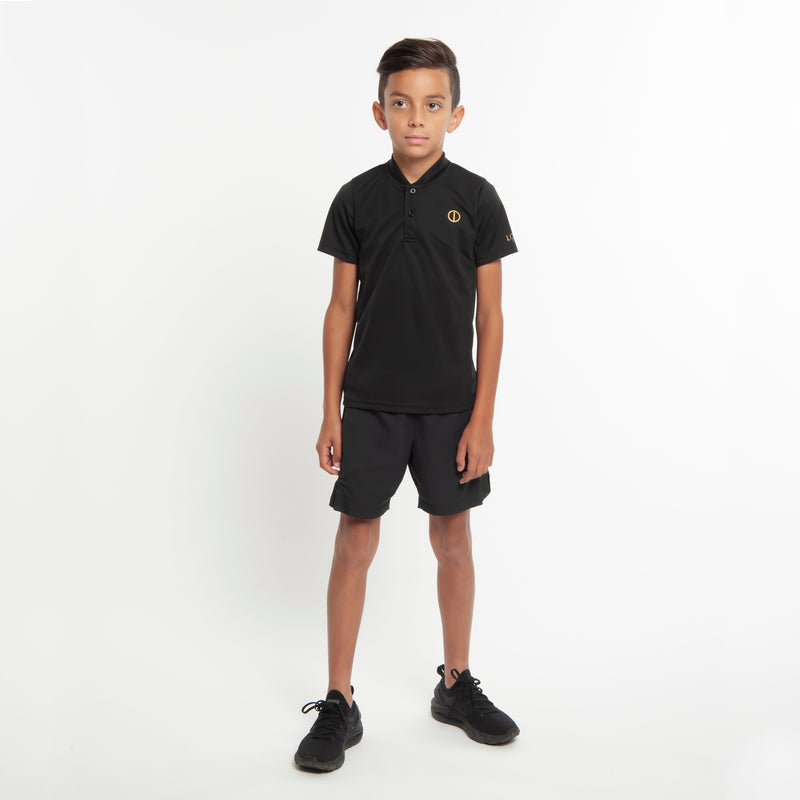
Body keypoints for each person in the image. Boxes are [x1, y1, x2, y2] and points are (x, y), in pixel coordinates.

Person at [294, 37, 520, 772]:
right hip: (371, 405)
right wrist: (331, 410)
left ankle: (455, 684)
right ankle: (339, 700)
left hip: (451, 409)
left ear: (456, 114)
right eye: (401, 103)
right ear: (379, 112)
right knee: (354, 541)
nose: (416, 118)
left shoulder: (477, 199)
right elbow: (340, 309)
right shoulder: (356, 198)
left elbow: (491, 318)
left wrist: (482, 417)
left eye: (431, 104)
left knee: (452, 540)